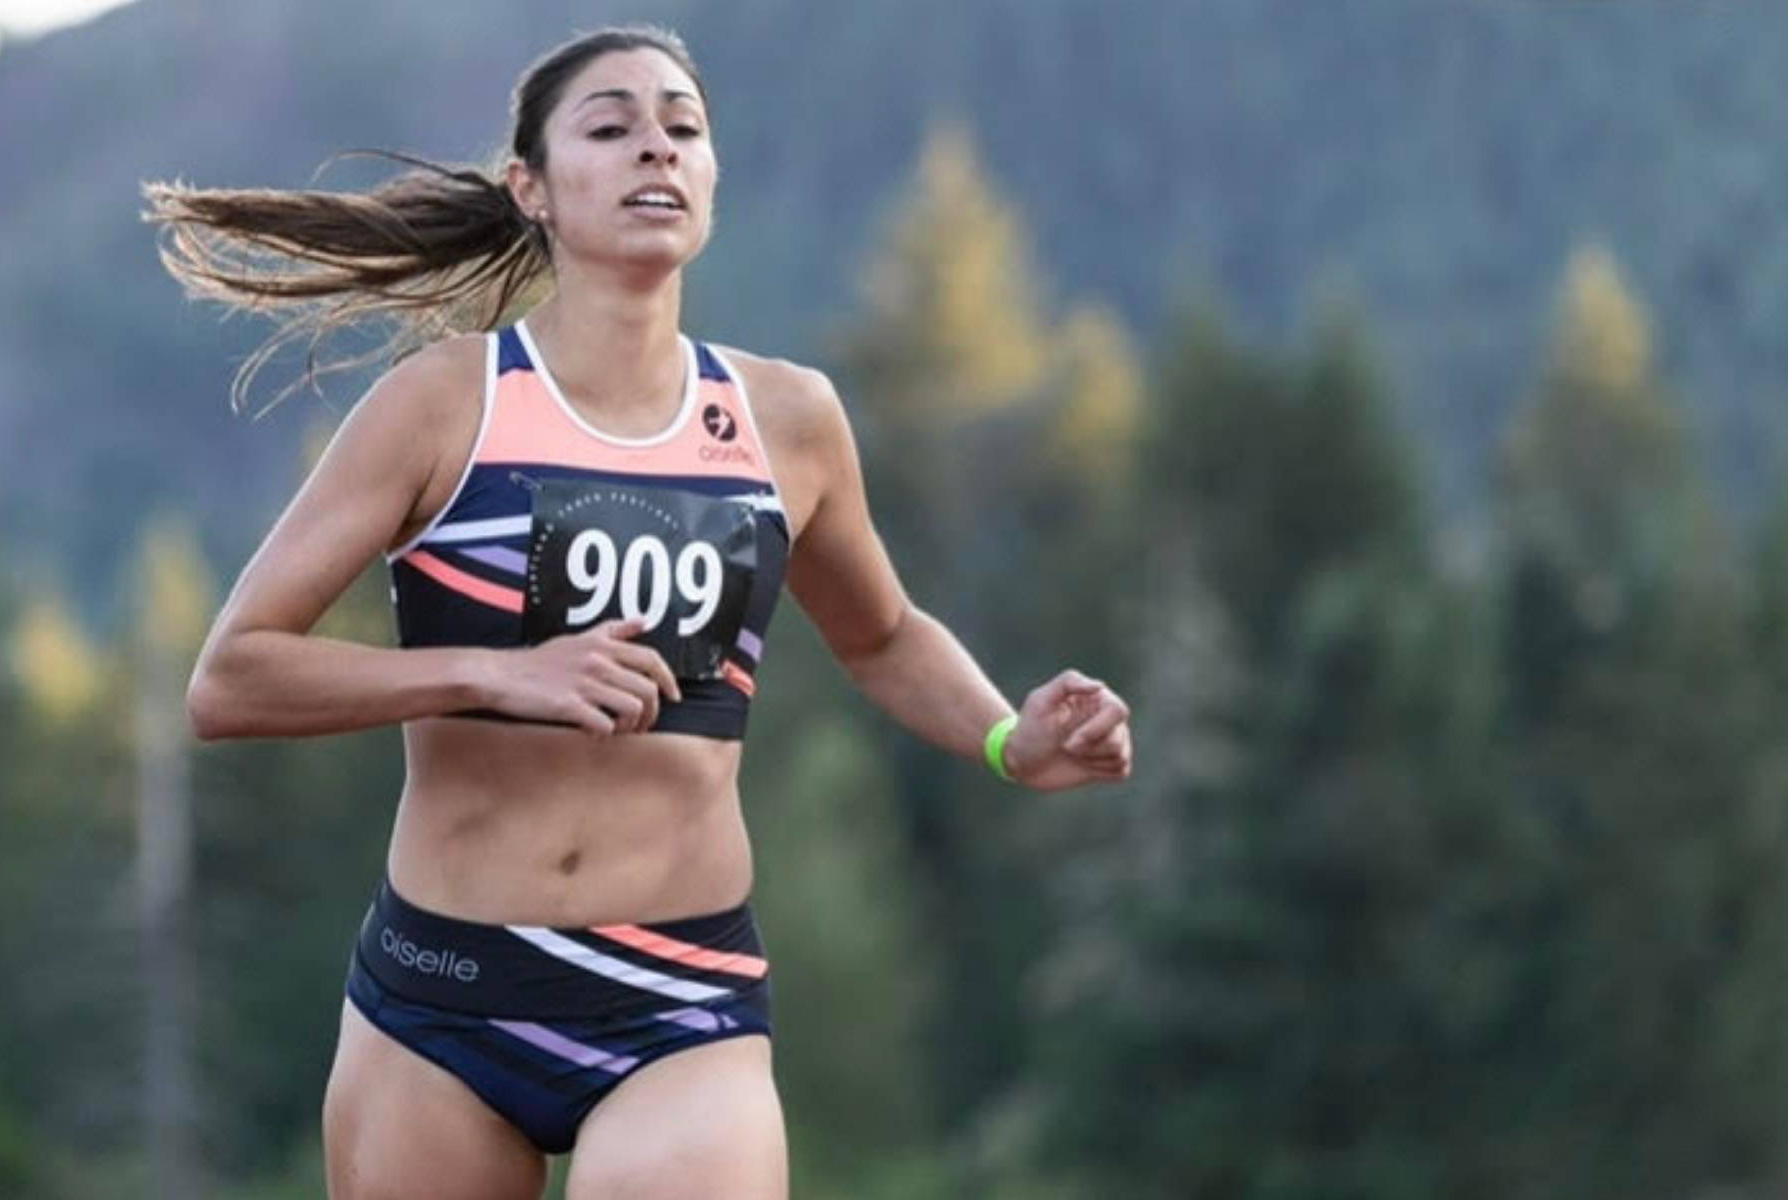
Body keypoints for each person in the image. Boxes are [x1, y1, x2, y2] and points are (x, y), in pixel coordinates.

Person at [144, 24, 1135, 1199]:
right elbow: (232, 679)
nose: (655, 149)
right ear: (533, 187)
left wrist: (1007, 739)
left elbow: (882, 635)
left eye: (683, 128)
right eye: (611, 128)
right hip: (441, 1001)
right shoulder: (444, 405)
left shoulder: (787, 421)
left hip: (679, 999)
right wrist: (494, 673)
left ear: (711, 176)